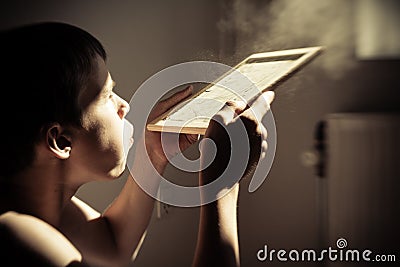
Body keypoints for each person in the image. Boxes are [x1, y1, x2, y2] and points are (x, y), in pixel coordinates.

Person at [0, 22, 274, 267]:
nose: (124, 105)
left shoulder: (39, 204)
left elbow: (112, 246)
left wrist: (153, 155)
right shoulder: (19, 237)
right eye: (107, 96)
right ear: (60, 141)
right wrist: (222, 182)